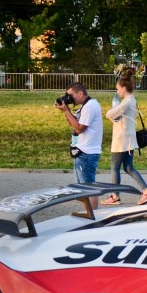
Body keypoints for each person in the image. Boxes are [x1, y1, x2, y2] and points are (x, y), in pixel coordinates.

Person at [103, 67, 147, 207]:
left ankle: (115, 196)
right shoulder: (132, 100)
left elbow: (110, 114)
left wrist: (110, 113)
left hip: (121, 140)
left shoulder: (126, 102)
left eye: (118, 89)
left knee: (114, 167)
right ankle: (146, 191)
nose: (117, 91)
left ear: (124, 89)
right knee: (128, 167)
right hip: (129, 139)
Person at [56, 81, 103, 215]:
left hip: (87, 153)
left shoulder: (90, 106)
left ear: (80, 93)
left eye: (71, 95)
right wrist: (66, 110)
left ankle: (92, 215)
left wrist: (66, 110)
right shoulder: (85, 106)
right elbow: (73, 122)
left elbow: (79, 128)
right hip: (83, 152)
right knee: (83, 188)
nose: (69, 98)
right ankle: (89, 213)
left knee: (88, 188)